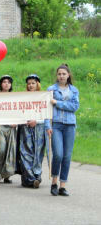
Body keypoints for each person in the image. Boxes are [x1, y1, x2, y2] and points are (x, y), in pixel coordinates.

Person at [46, 64, 79, 196]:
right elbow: (46, 109)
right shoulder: (51, 90)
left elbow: (74, 106)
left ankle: (62, 185)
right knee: (58, 154)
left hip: (70, 125)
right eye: (59, 74)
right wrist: (48, 126)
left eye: (64, 74)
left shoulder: (74, 90)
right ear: (57, 75)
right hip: (56, 125)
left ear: (68, 75)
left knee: (67, 156)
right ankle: (54, 181)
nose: (61, 76)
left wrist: (58, 103)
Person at [17, 74, 46, 188]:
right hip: (25, 127)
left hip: (39, 128)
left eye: (33, 83)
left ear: (37, 84)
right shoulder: (23, 97)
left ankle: (36, 175)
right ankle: (29, 178)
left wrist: (37, 121)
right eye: (29, 83)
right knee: (25, 152)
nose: (30, 85)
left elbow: (46, 113)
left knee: (38, 153)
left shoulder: (43, 97)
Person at [0, 75, 17, 184]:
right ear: (1, 84)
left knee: (9, 151)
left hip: (11, 127)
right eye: (4, 82)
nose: (6, 84)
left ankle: (7, 174)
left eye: (9, 82)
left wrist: (16, 122)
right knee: (1, 149)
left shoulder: (15, 96)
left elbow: (19, 110)